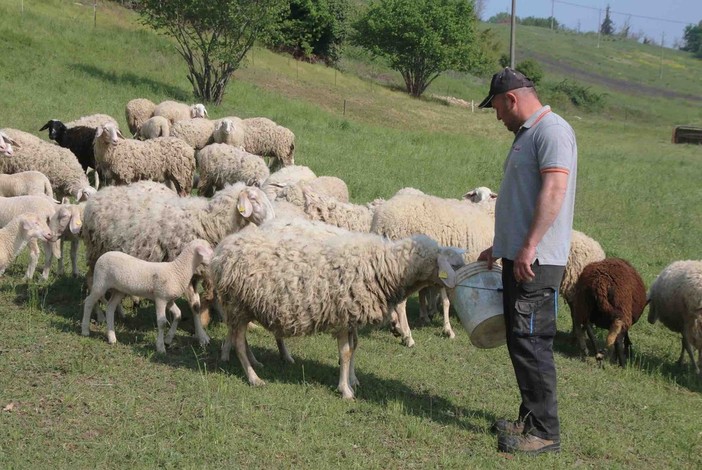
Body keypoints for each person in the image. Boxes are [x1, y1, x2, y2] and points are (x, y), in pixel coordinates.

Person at [476, 67, 577, 455]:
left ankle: (544, 432)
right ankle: (529, 418)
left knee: (533, 343)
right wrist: (501, 245)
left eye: (497, 107)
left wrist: (530, 245)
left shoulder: (552, 131)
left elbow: (554, 189)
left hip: (536, 261)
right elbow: (522, 198)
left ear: (512, 99)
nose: (497, 115)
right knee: (521, 340)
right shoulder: (528, 134)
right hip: (520, 257)